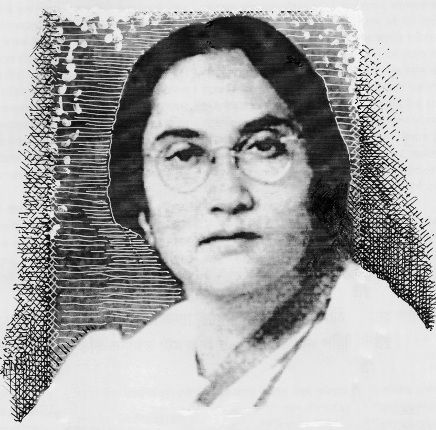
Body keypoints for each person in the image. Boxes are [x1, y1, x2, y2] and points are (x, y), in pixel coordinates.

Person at [27, 15, 436, 429]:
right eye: (183, 155)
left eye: (264, 147)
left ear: (320, 175)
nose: (228, 196)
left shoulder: (398, 369)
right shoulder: (105, 381)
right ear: (142, 209)